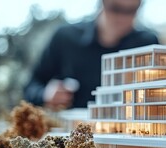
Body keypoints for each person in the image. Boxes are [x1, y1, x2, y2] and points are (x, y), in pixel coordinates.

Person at [24, 0, 159, 110]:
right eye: (115, 8)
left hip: (130, 131)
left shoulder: (148, 44)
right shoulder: (65, 38)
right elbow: (31, 86)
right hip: (73, 135)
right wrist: (45, 94)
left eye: (130, 11)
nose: (122, 18)